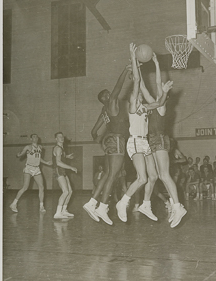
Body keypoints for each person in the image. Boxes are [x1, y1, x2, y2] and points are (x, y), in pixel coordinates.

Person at [116, 43, 174, 224]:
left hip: (146, 143)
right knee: (142, 178)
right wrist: (133, 59)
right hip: (134, 142)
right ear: (132, 99)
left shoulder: (146, 107)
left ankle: (145, 205)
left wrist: (164, 93)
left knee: (154, 176)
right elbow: (138, 84)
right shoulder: (133, 107)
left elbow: (158, 103)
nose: (139, 95)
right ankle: (122, 202)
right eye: (136, 95)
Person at [141, 52, 187, 227]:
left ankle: (177, 206)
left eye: (162, 94)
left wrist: (159, 68)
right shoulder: (153, 106)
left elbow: (160, 88)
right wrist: (146, 68)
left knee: (164, 174)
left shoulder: (161, 108)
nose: (157, 94)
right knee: (153, 176)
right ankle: (146, 204)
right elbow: (146, 88)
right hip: (151, 142)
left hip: (160, 140)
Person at [83, 63, 132, 225]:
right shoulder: (111, 105)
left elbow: (93, 132)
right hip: (117, 140)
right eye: (107, 94)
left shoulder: (104, 111)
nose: (110, 94)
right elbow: (118, 87)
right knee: (113, 175)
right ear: (105, 98)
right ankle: (102, 207)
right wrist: (125, 70)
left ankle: (92, 203)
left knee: (107, 174)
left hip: (111, 141)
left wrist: (102, 140)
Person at [10, 134, 52, 213]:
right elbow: (21, 154)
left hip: (37, 168)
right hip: (29, 168)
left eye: (37, 137)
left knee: (42, 187)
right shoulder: (28, 147)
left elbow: (38, 158)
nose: (35, 138)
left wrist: (46, 162)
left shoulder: (40, 147)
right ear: (31, 139)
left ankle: (41, 206)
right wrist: (18, 155)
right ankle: (13, 204)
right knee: (25, 187)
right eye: (34, 137)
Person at [53, 132, 77, 219]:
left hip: (62, 171)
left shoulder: (61, 149)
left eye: (62, 136)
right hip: (58, 170)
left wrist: (67, 156)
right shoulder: (58, 148)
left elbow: (60, 157)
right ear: (56, 139)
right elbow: (58, 162)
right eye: (59, 136)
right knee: (65, 191)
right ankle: (57, 213)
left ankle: (64, 210)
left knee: (70, 191)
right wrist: (71, 167)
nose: (62, 137)